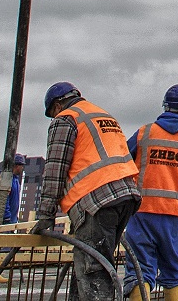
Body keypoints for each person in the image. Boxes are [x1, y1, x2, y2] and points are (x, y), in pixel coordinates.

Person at [35, 82, 141, 301]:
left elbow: (55, 170)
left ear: (57, 104)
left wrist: (45, 216)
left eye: (52, 113)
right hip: (125, 196)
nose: (53, 117)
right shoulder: (103, 115)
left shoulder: (66, 118)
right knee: (93, 263)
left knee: (94, 272)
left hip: (97, 199)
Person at [123, 85, 178, 301]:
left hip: (142, 212)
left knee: (139, 270)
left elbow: (125, 162)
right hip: (175, 215)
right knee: (173, 271)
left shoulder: (144, 132)